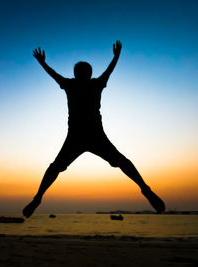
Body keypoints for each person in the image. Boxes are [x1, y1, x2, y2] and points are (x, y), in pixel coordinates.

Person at [23, 41, 165, 218]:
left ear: (78, 74)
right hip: (91, 135)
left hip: (81, 136)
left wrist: (42, 62)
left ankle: (38, 197)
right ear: (88, 74)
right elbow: (109, 70)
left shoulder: (71, 84)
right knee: (121, 161)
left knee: (56, 167)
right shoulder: (95, 83)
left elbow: (54, 74)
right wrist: (116, 56)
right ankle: (145, 189)